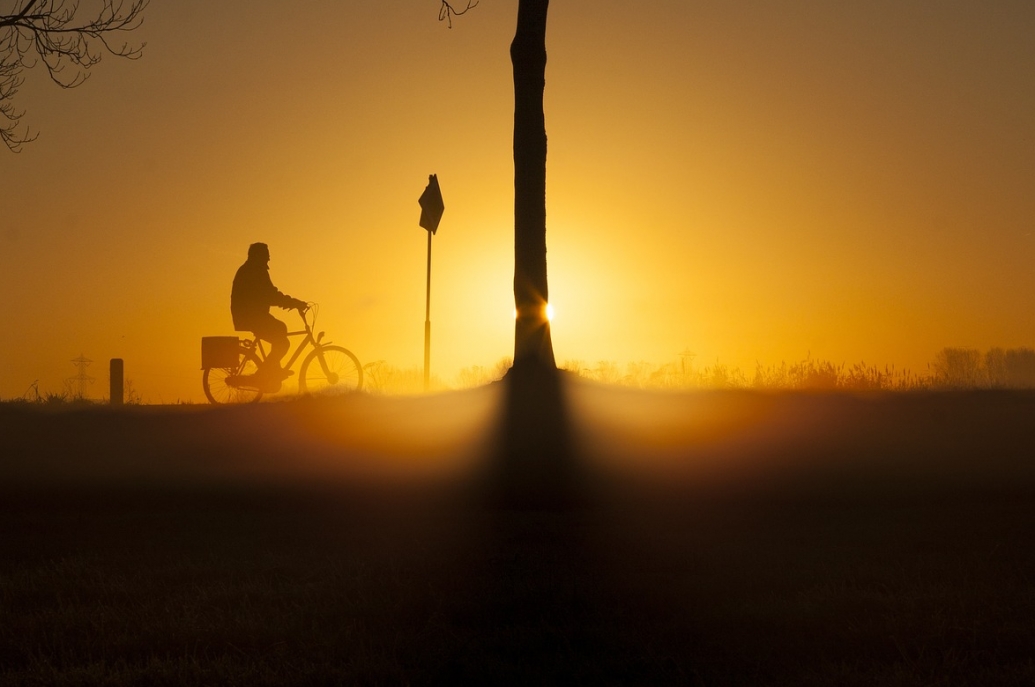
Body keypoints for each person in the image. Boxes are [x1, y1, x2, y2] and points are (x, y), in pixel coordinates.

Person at [230, 243, 306, 383]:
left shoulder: (252, 269)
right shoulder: (254, 271)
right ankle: (264, 374)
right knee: (283, 341)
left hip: (253, 315)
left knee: (280, 330)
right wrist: (294, 303)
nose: (269, 258)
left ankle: (273, 370)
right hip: (251, 316)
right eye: (266, 255)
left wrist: (291, 303)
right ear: (259, 256)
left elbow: (269, 294)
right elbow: (270, 294)